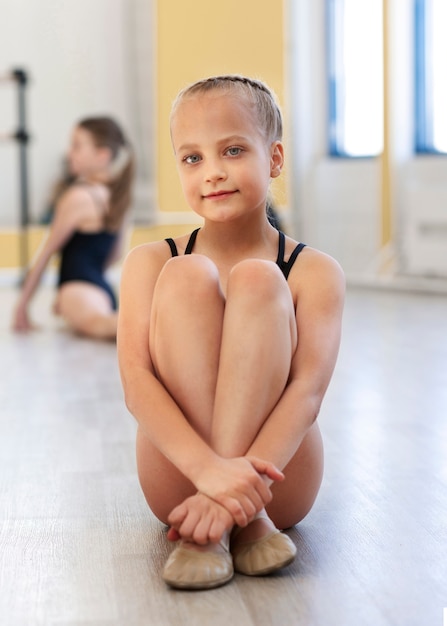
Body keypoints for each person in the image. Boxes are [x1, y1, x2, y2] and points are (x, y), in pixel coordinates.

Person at [117, 75, 345, 590]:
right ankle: (235, 517)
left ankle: (223, 520)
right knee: (187, 274)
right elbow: (135, 381)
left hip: (277, 481)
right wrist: (210, 473)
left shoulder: (315, 272)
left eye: (234, 150)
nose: (213, 173)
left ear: (275, 159)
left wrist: (237, 483)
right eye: (192, 158)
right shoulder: (151, 262)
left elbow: (307, 392)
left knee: (261, 278)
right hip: (179, 474)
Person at [12, 116, 135, 340]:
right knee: (110, 324)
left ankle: (160, 325)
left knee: (107, 327)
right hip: (103, 287)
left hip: (77, 285)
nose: (70, 153)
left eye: (77, 145)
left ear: (102, 155)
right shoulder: (118, 197)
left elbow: (46, 253)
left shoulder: (78, 196)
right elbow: (115, 255)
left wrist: (22, 307)